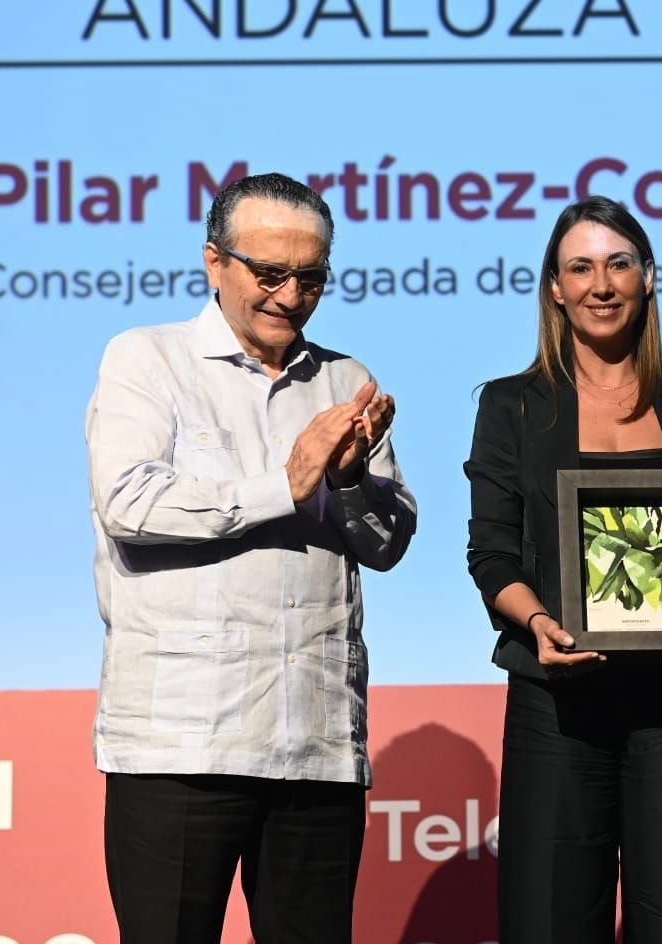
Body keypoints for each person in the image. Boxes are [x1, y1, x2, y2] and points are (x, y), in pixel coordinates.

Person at [86, 172, 417, 943]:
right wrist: (287, 483)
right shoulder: (147, 360)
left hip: (317, 744)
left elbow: (389, 543)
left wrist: (348, 480)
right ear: (214, 263)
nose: (290, 295)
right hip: (180, 743)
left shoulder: (345, 381)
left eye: (311, 278)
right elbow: (130, 505)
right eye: (270, 273)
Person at [464, 195, 662, 943]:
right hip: (557, 701)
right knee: (548, 920)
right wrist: (536, 621)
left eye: (619, 263)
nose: (601, 284)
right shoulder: (513, 407)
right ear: (555, 290)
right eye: (580, 267)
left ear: (649, 278)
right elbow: (492, 552)